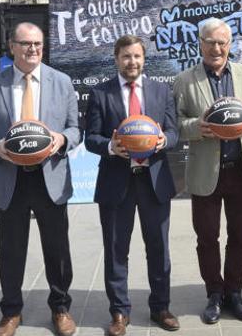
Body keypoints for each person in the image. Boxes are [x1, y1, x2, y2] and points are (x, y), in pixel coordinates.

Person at [0, 22, 81, 336]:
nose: (32, 49)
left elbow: (76, 129)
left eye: (37, 44)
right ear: (12, 46)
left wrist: (61, 139)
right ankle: (10, 312)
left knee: (57, 249)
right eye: (25, 43)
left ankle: (60, 308)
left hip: (50, 178)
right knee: (10, 250)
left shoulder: (61, 81)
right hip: (11, 178)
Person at [172, 17, 242, 324]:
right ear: (200, 44)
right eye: (210, 42)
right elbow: (175, 123)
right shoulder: (184, 81)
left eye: (222, 42)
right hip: (206, 171)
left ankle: (235, 293)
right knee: (207, 238)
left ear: (231, 44)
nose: (216, 48)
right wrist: (197, 127)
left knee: (240, 237)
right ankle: (214, 293)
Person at [84, 35, 181, 336]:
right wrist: (111, 146)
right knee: (116, 251)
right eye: (126, 56)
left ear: (144, 58)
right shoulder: (100, 94)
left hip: (154, 181)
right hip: (116, 182)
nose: (132, 62)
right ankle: (119, 313)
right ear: (116, 59)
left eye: (137, 56)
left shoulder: (161, 90)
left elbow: (174, 130)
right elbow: (91, 138)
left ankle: (161, 307)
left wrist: (165, 139)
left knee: (159, 248)